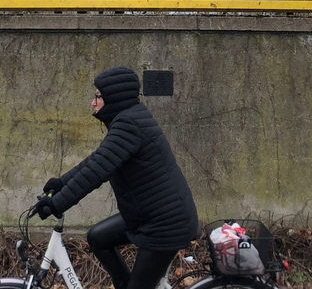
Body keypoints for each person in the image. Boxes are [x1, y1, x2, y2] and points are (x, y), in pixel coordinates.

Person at [34, 66, 200, 289]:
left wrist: (56, 204)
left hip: (166, 225)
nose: (93, 103)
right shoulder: (128, 119)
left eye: (98, 96)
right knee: (98, 238)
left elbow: (96, 172)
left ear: (114, 97)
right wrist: (62, 182)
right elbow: (97, 160)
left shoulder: (128, 125)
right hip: (150, 215)